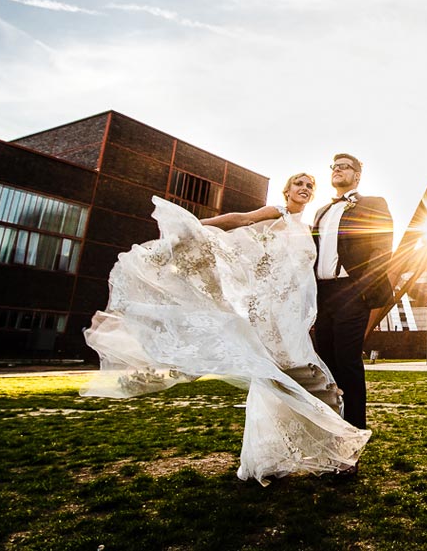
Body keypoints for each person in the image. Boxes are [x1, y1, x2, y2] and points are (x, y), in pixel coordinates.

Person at [81, 173, 370, 484]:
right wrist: (196, 228)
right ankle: (332, 452)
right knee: (299, 376)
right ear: (287, 190)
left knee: (295, 380)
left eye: (309, 186)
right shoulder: (277, 213)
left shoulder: (307, 228)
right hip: (270, 314)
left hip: (293, 315)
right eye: (298, 184)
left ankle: (298, 454)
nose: (304, 189)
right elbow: (239, 219)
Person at [312, 153, 393, 436]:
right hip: (322, 294)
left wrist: (362, 289)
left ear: (356, 175)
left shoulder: (373, 203)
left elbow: (382, 248)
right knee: (326, 363)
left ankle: (355, 432)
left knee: (347, 361)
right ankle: (332, 428)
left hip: (351, 290)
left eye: (344, 167)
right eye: (334, 167)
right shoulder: (321, 211)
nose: (337, 170)